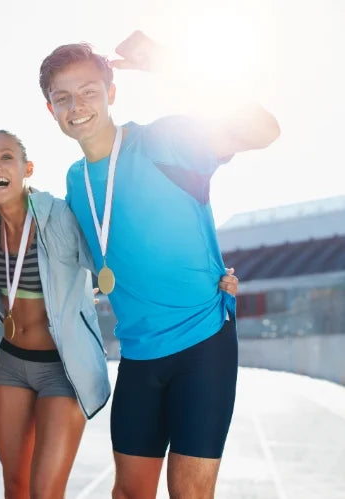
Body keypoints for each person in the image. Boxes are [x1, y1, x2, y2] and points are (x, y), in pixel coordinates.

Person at [39, 31, 278, 498]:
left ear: (110, 94)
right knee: (128, 493)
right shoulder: (74, 180)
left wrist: (174, 64)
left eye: (89, 91)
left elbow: (264, 130)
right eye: (62, 97)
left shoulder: (165, 140)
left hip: (201, 344)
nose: (76, 106)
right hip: (138, 356)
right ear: (51, 109)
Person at [0, 129, 110, 498]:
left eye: (5, 158)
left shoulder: (59, 215)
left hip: (62, 369)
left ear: (26, 168)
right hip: (11, 364)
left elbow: (108, 256)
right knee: (14, 486)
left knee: (45, 491)